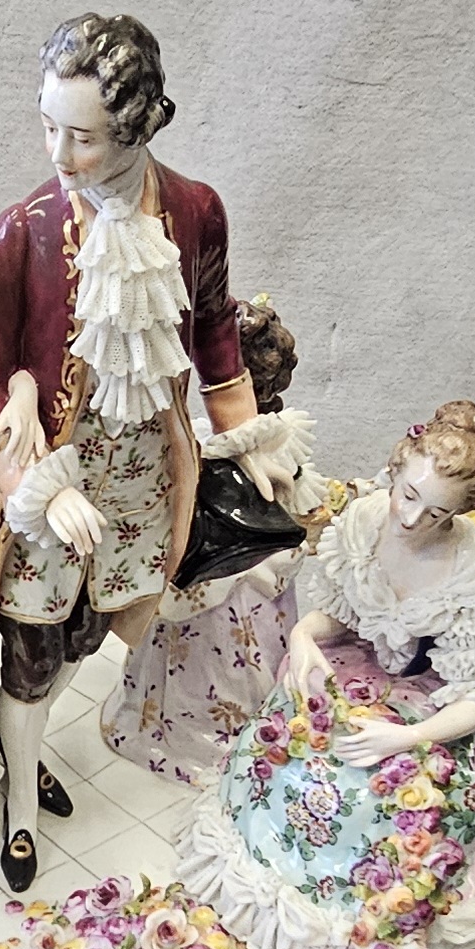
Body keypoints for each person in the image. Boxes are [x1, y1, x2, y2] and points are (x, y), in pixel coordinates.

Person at [0, 12, 294, 891]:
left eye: (85, 137)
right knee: (31, 646)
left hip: (145, 475)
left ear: (139, 128)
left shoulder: (195, 211)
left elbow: (212, 332)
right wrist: (35, 485)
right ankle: (18, 809)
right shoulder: (25, 229)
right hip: (52, 480)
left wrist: (246, 438)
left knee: (94, 629)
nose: (60, 155)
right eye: (49, 128)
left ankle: (19, 747)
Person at [177, 403, 475, 949]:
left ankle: (348, 938)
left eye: (437, 512)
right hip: (361, 668)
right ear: (396, 472)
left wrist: (406, 737)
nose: (412, 518)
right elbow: (341, 612)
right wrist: (303, 636)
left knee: (383, 796)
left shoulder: (472, 579)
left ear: (460, 513)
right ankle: (262, 902)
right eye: (408, 495)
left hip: (437, 706)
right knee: (292, 745)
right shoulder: (366, 523)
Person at [102, 297, 322, 784]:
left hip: (239, 566)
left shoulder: (272, 436)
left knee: (233, 658)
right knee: (185, 652)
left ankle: (221, 738)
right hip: (201, 560)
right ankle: (165, 728)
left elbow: (289, 494)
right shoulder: (196, 429)